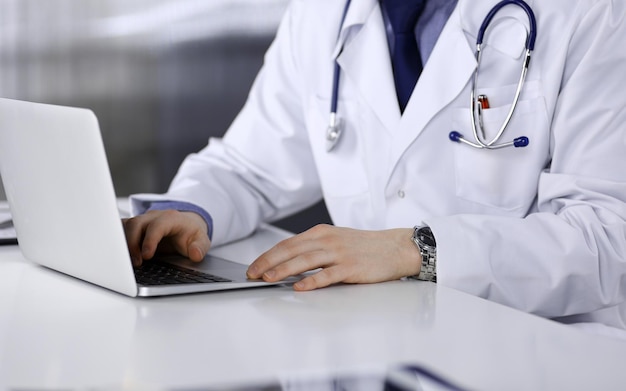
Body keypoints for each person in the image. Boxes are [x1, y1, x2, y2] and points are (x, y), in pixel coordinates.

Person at [124, 0, 626, 334]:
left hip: (539, 350)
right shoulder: (323, 13)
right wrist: (189, 211)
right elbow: (250, 165)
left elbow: (608, 236)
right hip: (370, 342)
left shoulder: (589, 13)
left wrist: (416, 249)